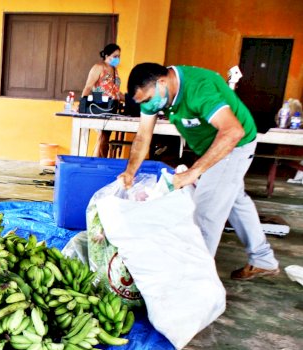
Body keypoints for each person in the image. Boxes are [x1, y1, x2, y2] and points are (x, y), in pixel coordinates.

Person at [117, 63, 279, 281]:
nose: (148, 106)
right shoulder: (154, 95)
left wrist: (192, 173)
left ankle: (194, 285)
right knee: (234, 200)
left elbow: (232, 131)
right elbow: (143, 135)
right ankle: (263, 260)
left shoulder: (198, 88)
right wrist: (130, 171)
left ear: (162, 82)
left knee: (205, 213)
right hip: (210, 145)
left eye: (147, 100)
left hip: (234, 145)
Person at [82, 43, 123, 157]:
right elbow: (89, 86)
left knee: (105, 138)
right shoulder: (99, 67)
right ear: (106, 55)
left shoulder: (115, 70)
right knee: (102, 137)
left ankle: (101, 161)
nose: (117, 59)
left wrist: (132, 99)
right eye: (115, 56)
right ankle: (98, 162)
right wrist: (83, 104)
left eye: (119, 56)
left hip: (112, 107)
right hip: (100, 106)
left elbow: (116, 91)